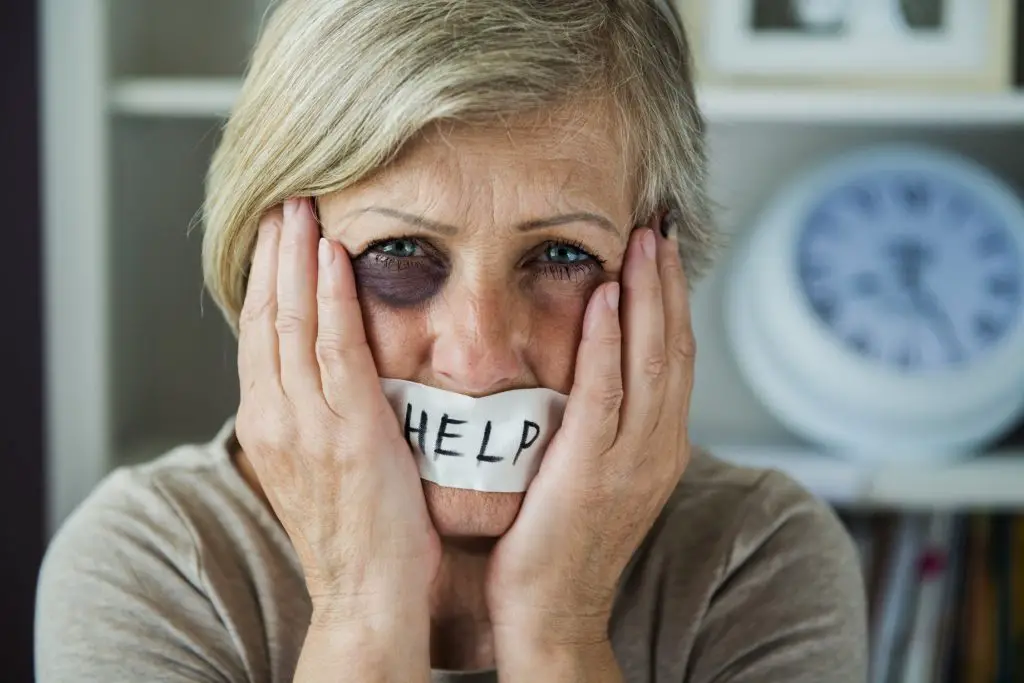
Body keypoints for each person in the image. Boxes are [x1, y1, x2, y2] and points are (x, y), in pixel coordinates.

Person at [35, 0, 867, 681]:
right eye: (399, 254)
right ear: (271, 272)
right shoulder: (155, 564)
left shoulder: (757, 557)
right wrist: (363, 612)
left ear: (657, 277)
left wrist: (559, 627)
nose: (479, 358)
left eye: (561, 255)